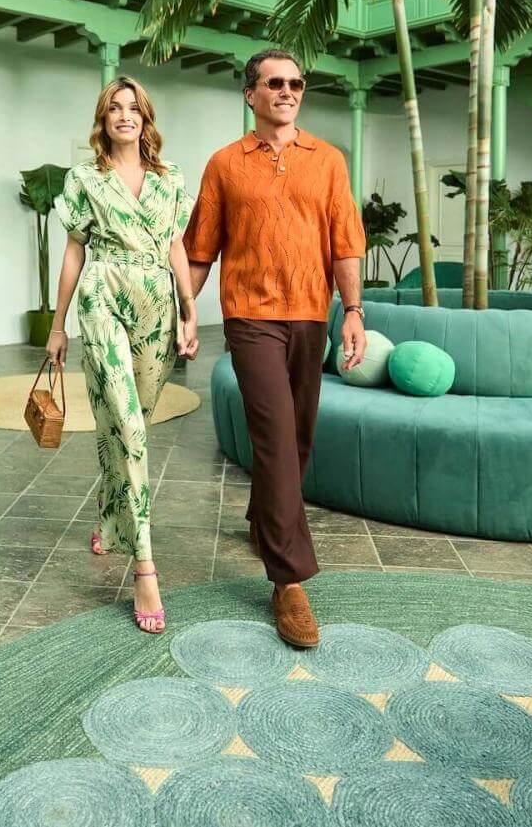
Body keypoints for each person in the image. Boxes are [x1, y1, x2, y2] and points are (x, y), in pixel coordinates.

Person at [184, 49, 367, 649]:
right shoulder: (224, 165)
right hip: (251, 316)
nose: (287, 91)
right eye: (274, 83)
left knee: (301, 432)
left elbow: (345, 244)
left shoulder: (329, 161)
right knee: (275, 432)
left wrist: (354, 313)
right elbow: (199, 250)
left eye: (295, 83)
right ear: (251, 96)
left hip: (311, 314)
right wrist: (183, 313)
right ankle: (288, 581)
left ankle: (264, 518)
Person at [46, 76, 200, 634]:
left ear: (146, 118)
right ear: (103, 119)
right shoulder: (85, 178)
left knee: (129, 425)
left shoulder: (171, 179)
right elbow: (72, 252)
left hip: (157, 303)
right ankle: (144, 567)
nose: (125, 115)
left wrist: (189, 307)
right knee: (128, 427)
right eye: (115, 108)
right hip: (103, 296)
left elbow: (176, 247)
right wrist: (58, 325)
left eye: (134, 107)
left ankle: (113, 517)